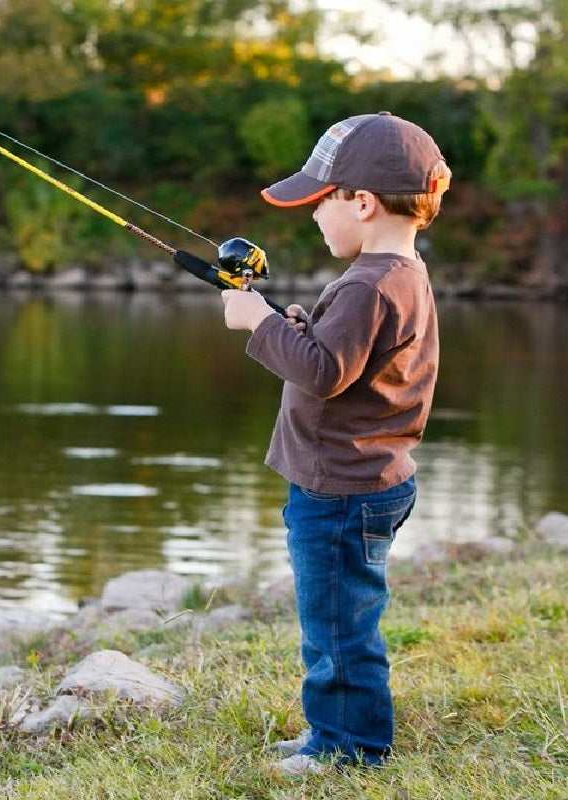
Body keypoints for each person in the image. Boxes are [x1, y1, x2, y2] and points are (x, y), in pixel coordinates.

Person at [219, 111, 452, 776]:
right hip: (372, 477)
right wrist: (299, 325)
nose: (314, 216)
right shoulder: (401, 272)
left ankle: (347, 748)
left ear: (363, 203)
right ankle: (335, 729)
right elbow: (348, 358)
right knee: (343, 615)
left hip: (340, 490)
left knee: (337, 625)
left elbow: (324, 374)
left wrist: (258, 320)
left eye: (320, 203)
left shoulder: (367, 283)